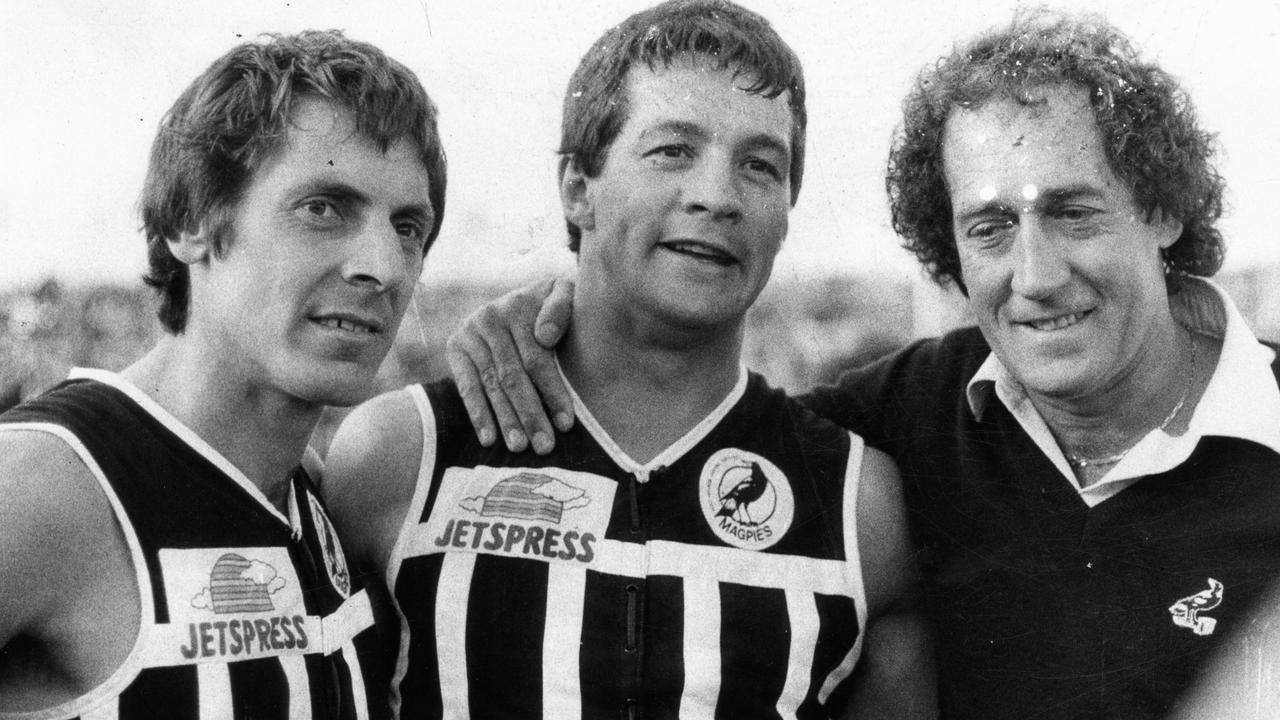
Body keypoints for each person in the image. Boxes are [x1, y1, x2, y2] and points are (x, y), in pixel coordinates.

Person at [445, 9, 1280, 720]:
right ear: (947, 247)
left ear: (1164, 210)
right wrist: (552, 316)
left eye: (1074, 212)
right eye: (990, 227)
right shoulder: (906, 417)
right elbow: (692, 418)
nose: (1036, 276)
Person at [322, 2, 934, 719]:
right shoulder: (400, 459)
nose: (717, 196)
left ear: (789, 209)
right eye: (673, 150)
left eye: (761, 166)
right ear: (578, 188)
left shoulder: (860, 509)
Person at [0, 30, 447, 719]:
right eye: (323, 208)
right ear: (193, 220)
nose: (383, 268)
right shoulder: (45, 484)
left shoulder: (319, 497)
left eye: (409, 226)